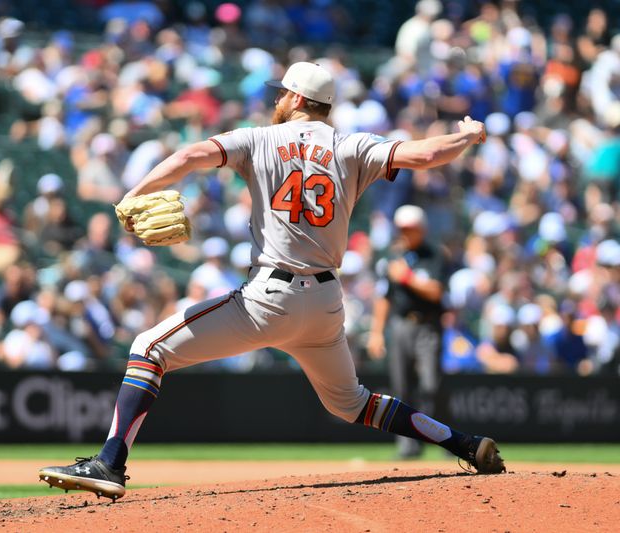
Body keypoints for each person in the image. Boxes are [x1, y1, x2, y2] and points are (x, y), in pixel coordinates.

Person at [39, 62, 505, 500]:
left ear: (298, 97)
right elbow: (424, 154)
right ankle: (464, 443)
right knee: (352, 403)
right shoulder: (352, 145)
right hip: (324, 303)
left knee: (149, 348)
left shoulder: (259, 138)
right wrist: (465, 136)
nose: (278, 98)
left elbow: (191, 154)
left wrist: (134, 196)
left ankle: (109, 463)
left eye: (283, 92)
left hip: (269, 296)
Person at [367, 205, 448, 459]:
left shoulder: (433, 254)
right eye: (402, 229)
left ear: (421, 229)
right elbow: (384, 298)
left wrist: (407, 278)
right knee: (401, 388)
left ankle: (446, 440)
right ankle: (408, 445)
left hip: (427, 324)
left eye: (410, 229)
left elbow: (436, 291)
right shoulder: (391, 257)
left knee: (431, 384)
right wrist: (376, 332)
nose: (405, 233)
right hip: (400, 325)